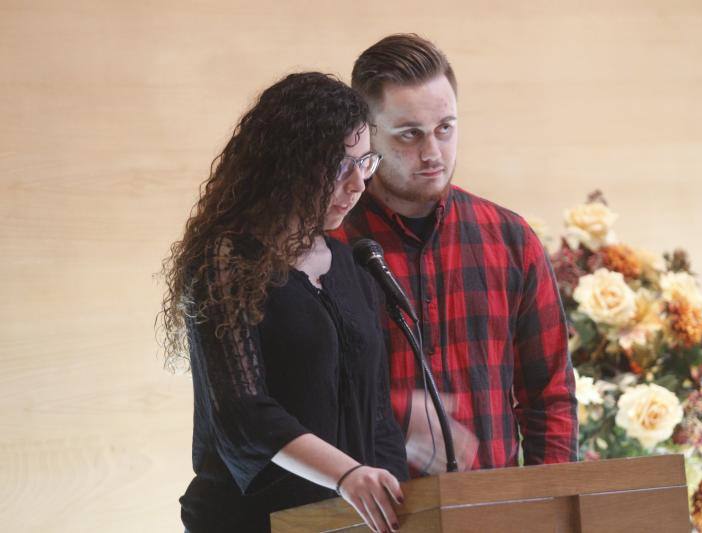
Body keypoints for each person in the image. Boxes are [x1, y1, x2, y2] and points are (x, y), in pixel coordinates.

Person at [158, 72, 408, 533]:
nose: (357, 184)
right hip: (251, 521)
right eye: (338, 166)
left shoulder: (351, 266)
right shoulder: (226, 261)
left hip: (340, 522)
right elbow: (244, 414)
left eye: (364, 163)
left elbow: (376, 416)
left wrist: (396, 504)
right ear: (287, 164)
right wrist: (347, 476)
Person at [330, 34, 578, 476]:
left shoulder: (511, 239)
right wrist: (397, 419)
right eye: (409, 135)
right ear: (366, 134)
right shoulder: (329, 246)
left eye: (445, 128)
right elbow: (299, 406)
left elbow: (550, 397)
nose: (432, 153)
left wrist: (552, 506)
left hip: (495, 512)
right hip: (367, 513)